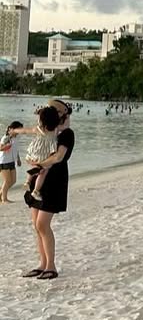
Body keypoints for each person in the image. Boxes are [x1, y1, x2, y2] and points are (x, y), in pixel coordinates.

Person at [22, 99, 75, 281]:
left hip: (54, 181)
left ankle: (51, 266)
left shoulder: (67, 134)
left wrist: (39, 164)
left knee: (42, 224)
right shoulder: (46, 130)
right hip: (39, 178)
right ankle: (42, 264)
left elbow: (58, 157)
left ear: (62, 114)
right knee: (36, 225)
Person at [1, 121, 23, 203]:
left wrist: (18, 159)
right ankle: (4, 199)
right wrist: (6, 146)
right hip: (4, 161)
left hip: (12, 161)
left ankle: (1, 194)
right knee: (7, 181)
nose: (20, 131)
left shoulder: (16, 138)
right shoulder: (6, 138)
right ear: (12, 129)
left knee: (13, 180)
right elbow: (0, 148)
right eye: (19, 129)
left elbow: (16, 149)